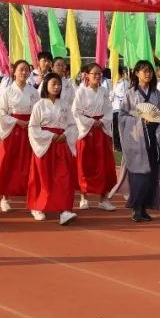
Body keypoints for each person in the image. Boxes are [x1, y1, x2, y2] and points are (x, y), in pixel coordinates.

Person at [114, 61, 160, 221]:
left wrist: (157, 124)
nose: (148, 74)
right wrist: (139, 120)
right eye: (144, 71)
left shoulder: (156, 94)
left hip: (154, 138)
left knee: (152, 174)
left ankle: (145, 207)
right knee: (139, 175)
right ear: (137, 73)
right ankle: (137, 208)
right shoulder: (130, 94)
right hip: (137, 139)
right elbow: (123, 116)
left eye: (150, 72)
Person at [27, 72, 80, 224]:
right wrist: (50, 136)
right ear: (46, 86)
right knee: (44, 177)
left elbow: (72, 124)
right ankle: (38, 206)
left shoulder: (64, 105)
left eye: (58, 84)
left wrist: (66, 135)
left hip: (61, 144)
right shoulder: (39, 105)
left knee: (64, 177)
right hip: (45, 145)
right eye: (53, 84)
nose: (56, 87)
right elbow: (33, 127)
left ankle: (65, 210)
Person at [72, 63, 118, 211]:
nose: (97, 76)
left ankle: (103, 198)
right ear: (87, 75)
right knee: (84, 164)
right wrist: (91, 122)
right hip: (86, 131)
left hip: (101, 131)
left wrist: (102, 121)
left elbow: (109, 109)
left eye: (99, 74)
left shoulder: (104, 91)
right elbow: (76, 111)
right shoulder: (81, 92)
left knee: (103, 164)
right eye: (94, 73)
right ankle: (84, 197)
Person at [0, 60, 39, 212]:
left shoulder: (33, 92)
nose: (24, 73)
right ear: (14, 72)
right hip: (12, 130)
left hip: (29, 129)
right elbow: (1, 112)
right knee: (9, 161)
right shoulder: (7, 91)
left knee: (29, 163)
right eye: (21, 70)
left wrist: (31, 122)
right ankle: (5, 197)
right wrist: (16, 121)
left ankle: (31, 196)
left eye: (27, 70)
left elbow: (38, 111)